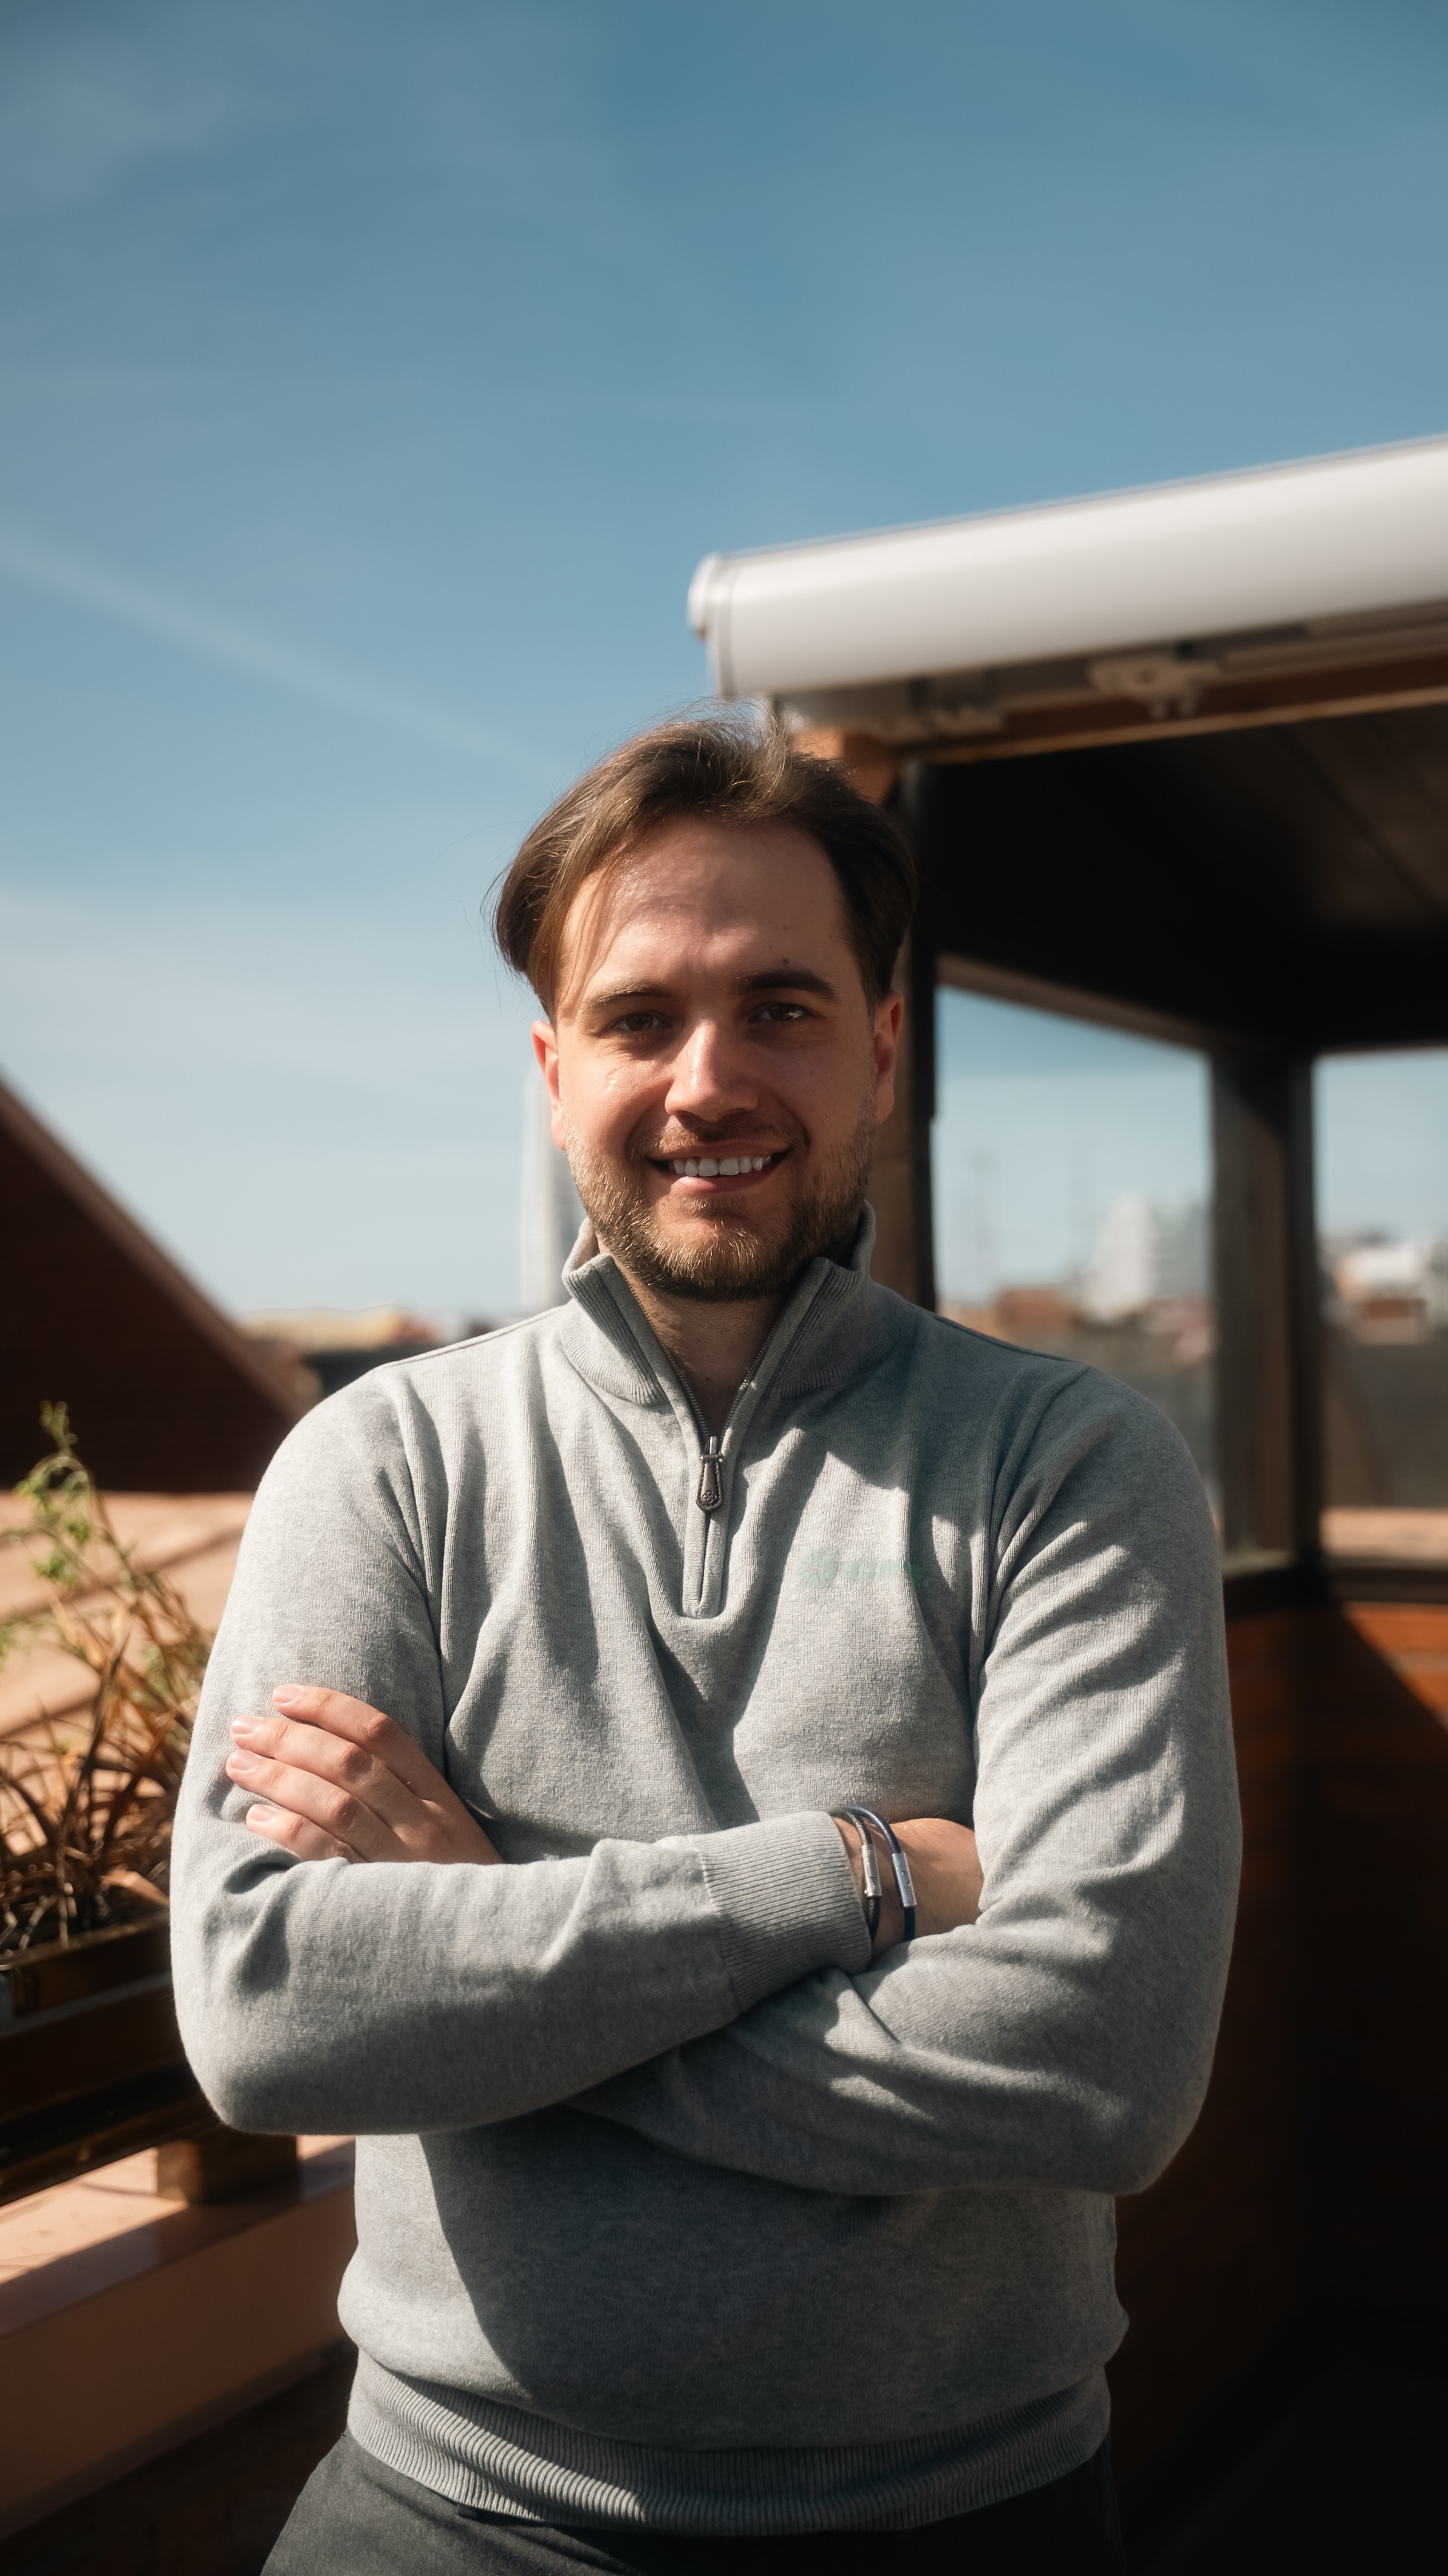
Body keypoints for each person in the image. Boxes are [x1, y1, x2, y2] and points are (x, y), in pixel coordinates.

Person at [171, 713, 1240, 2576]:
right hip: (441, 2519)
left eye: (785, 1008)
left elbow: (1101, 2059)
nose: (709, 1079)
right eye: (642, 1017)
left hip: (965, 2521)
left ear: (883, 1050)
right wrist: (850, 1874)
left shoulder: (1067, 1463)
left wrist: (486, 1949)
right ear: (553, 1064)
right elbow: (269, 2016)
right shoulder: (383, 1465)